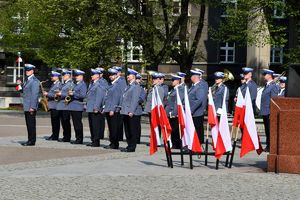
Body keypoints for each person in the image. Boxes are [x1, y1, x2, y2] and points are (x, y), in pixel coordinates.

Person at [16, 64, 40, 146]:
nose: (27, 72)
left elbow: (35, 95)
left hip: (30, 106)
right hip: (27, 106)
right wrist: (19, 85)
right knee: (28, 124)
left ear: (32, 71)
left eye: (28, 70)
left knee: (31, 124)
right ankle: (30, 139)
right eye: (26, 70)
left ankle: (32, 141)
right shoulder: (27, 80)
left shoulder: (34, 81)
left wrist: (32, 107)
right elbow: (23, 91)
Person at [120, 68, 142, 152]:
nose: (127, 76)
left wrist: (131, 111)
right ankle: (129, 145)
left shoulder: (136, 86)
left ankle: (132, 146)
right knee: (127, 130)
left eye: (129, 75)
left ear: (133, 76)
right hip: (126, 111)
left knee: (132, 130)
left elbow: (135, 100)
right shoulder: (129, 86)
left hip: (131, 112)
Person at [259, 69, 279, 152]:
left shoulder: (273, 86)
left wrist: (272, 112)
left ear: (270, 75)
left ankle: (271, 146)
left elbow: (273, 100)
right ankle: (268, 145)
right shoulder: (267, 85)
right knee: (267, 130)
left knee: (270, 130)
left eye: (265, 74)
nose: (264, 76)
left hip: (269, 111)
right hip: (265, 111)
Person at [86, 69, 106, 147]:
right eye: (91, 75)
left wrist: (97, 107)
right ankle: (93, 140)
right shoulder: (92, 84)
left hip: (95, 108)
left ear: (97, 75)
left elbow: (99, 97)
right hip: (90, 107)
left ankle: (96, 141)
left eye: (93, 74)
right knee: (92, 125)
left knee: (96, 125)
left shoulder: (99, 85)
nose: (92, 76)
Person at [104, 68, 123, 149]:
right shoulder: (112, 84)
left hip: (113, 110)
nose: (110, 76)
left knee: (114, 127)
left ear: (116, 75)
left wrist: (112, 109)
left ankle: (114, 144)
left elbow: (116, 98)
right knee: (111, 127)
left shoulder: (117, 85)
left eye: (112, 75)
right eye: (110, 75)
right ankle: (112, 142)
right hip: (108, 108)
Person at [188, 69, 208, 144]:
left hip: (197, 112)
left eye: (191, 76)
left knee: (197, 129)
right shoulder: (194, 86)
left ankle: (197, 145)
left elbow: (199, 100)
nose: (190, 77)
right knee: (194, 129)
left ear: (194, 77)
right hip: (194, 112)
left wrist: (191, 110)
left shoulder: (200, 86)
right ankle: (194, 145)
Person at [165, 74, 184, 149]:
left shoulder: (180, 89)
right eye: (171, 80)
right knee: (172, 129)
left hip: (175, 113)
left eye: (173, 80)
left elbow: (178, 102)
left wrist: (174, 112)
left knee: (176, 129)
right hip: (170, 112)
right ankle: (174, 144)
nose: (172, 82)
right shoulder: (174, 89)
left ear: (178, 81)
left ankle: (178, 144)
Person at [68, 69, 87, 144]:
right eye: (75, 76)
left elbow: (83, 95)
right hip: (73, 106)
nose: (76, 77)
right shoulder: (76, 84)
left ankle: (79, 139)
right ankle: (77, 138)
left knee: (78, 124)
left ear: (81, 76)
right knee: (75, 124)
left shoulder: (82, 84)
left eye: (77, 76)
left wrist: (73, 94)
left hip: (78, 106)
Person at [56, 69, 73, 142]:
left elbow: (70, 93)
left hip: (66, 105)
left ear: (68, 76)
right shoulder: (64, 84)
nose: (62, 77)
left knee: (66, 121)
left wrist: (61, 94)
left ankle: (67, 137)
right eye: (62, 75)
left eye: (64, 75)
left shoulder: (70, 84)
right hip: (62, 105)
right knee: (63, 122)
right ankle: (65, 136)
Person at [44, 71, 62, 141]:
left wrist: (47, 94)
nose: (51, 77)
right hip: (53, 105)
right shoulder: (54, 84)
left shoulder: (58, 85)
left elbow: (56, 95)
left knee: (56, 121)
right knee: (53, 121)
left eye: (53, 76)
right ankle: (54, 134)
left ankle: (55, 136)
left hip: (56, 105)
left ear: (57, 77)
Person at [112, 66, 127, 141]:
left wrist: (120, 105)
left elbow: (122, 94)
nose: (115, 73)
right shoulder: (114, 81)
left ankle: (119, 137)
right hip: (114, 104)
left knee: (118, 122)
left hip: (118, 105)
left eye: (117, 72)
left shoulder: (122, 81)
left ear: (120, 73)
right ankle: (116, 136)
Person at [135, 74, 146, 144]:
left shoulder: (141, 89)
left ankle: (137, 139)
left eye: (138, 79)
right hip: (130, 109)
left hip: (137, 109)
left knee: (136, 126)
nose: (136, 81)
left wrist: (133, 100)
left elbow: (141, 99)